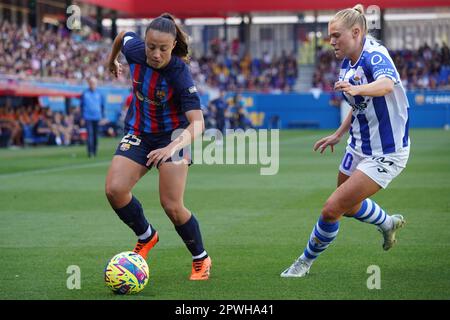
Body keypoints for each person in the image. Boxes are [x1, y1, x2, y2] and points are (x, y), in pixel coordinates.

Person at [281, 4, 410, 278]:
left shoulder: (374, 55)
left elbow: (386, 84)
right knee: (348, 207)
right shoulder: (347, 61)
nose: (331, 41)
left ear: (356, 32)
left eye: (336, 35)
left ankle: (304, 262)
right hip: (358, 144)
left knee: (331, 209)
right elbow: (359, 103)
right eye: (330, 35)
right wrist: (339, 133)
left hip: (386, 151)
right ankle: (388, 223)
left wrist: (357, 88)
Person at [105, 13, 212, 280]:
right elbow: (121, 36)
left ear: (173, 45)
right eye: (151, 46)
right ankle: (146, 235)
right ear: (145, 42)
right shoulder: (135, 49)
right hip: (139, 133)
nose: (155, 54)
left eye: (163, 48)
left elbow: (198, 123)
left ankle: (201, 258)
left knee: (172, 206)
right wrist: (112, 61)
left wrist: (171, 148)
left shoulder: (179, 72)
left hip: (174, 137)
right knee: (115, 190)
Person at [80, 77, 104, 157]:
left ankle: (95, 151)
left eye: (93, 83)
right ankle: (90, 153)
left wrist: (103, 117)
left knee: (95, 135)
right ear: (89, 84)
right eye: (91, 83)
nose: (92, 85)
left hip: (97, 117)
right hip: (88, 117)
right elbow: (81, 106)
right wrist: (82, 117)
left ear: (96, 84)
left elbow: (102, 106)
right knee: (90, 135)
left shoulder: (99, 94)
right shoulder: (85, 93)